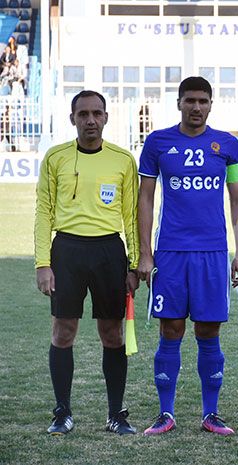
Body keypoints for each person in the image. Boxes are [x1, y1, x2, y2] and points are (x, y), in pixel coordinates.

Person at [137, 77, 238, 436]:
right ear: (179, 103)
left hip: (213, 252)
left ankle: (210, 414)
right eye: (190, 100)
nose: (196, 107)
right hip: (170, 252)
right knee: (171, 329)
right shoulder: (157, 143)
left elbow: (237, 201)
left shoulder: (228, 146)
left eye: (202, 101)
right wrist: (145, 253)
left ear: (211, 104)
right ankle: (165, 413)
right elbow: (146, 199)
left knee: (208, 330)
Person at [34, 90, 140, 435]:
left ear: (107, 117)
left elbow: (131, 215)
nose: (90, 120)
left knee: (112, 333)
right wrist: (42, 263)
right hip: (66, 251)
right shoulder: (55, 158)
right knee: (63, 331)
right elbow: (43, 213)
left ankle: (115, 414)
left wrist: (134, 264)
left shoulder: (122, 159)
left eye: (97, 113)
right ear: (72, 119)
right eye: (83, 114)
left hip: (109, 251)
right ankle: (62, 412)